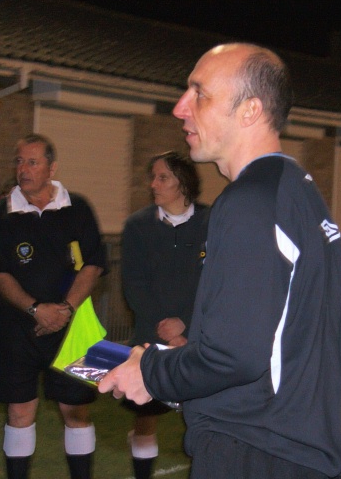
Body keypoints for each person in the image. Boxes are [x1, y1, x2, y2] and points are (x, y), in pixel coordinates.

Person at [99, 43, 341, 478]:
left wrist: (151, 372)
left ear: (250, 110)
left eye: (199, 93)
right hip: (285, 448)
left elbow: (235, 357)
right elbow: (264, 344)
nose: (181, 108)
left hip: (256, 451)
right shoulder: (293, 190)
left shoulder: (248, 203)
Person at [0, 133, 108, 479]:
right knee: (19, 413)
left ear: (52, 167)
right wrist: (37, 310)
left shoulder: (78, 207)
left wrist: (64, 309)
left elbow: (93, 265)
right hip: (18, 328)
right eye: (19, 161)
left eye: (32, 162)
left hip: (77, 326)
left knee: (77, 412)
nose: (23, 169)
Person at [120, 150, 208, 479]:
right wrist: (166, 329)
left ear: (183, 182)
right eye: (153, 177)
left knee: (201, 416)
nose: (152, 184)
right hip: (152, 337)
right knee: (146, 415)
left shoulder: (211, 222)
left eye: (162, 177)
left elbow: (215, 282)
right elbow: (134, 284)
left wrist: (186, 324)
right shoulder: (138, 226)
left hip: (198, 338)